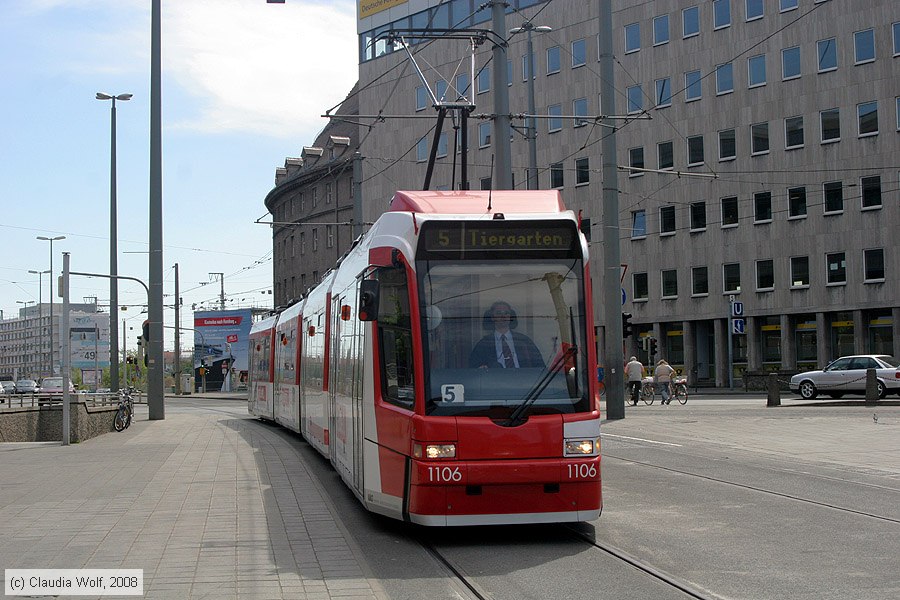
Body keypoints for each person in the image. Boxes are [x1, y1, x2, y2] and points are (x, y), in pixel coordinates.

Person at [468, 301, 545, 369]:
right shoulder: (483, 344)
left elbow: (540, 367)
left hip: (523, 382)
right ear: (492, 317)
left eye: (506, 313)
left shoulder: (524, 341)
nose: (503, 316)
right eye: (498, 313)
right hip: (494, 383)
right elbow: (473, 369)